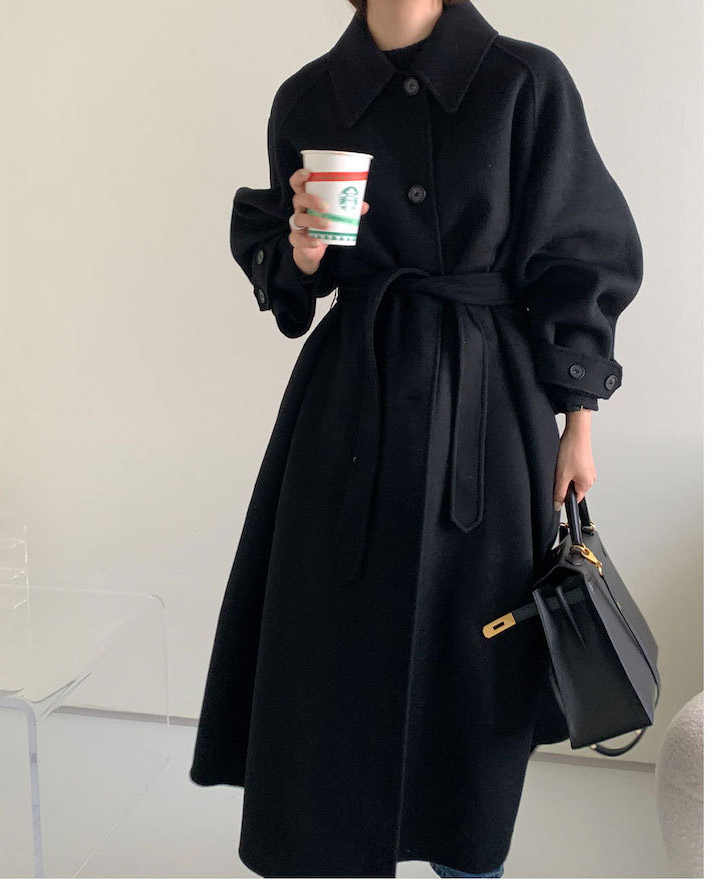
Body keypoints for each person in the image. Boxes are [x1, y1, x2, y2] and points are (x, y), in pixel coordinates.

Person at [189, 1, 643, 877]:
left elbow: (580, 251)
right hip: (347, 408)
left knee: (478, 654)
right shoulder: (310, 99)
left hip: (491, 410)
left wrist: (578, 419)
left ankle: (468, 857)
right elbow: (293, 280)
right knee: (331, 643)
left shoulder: (523, 83)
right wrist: (302, 253)